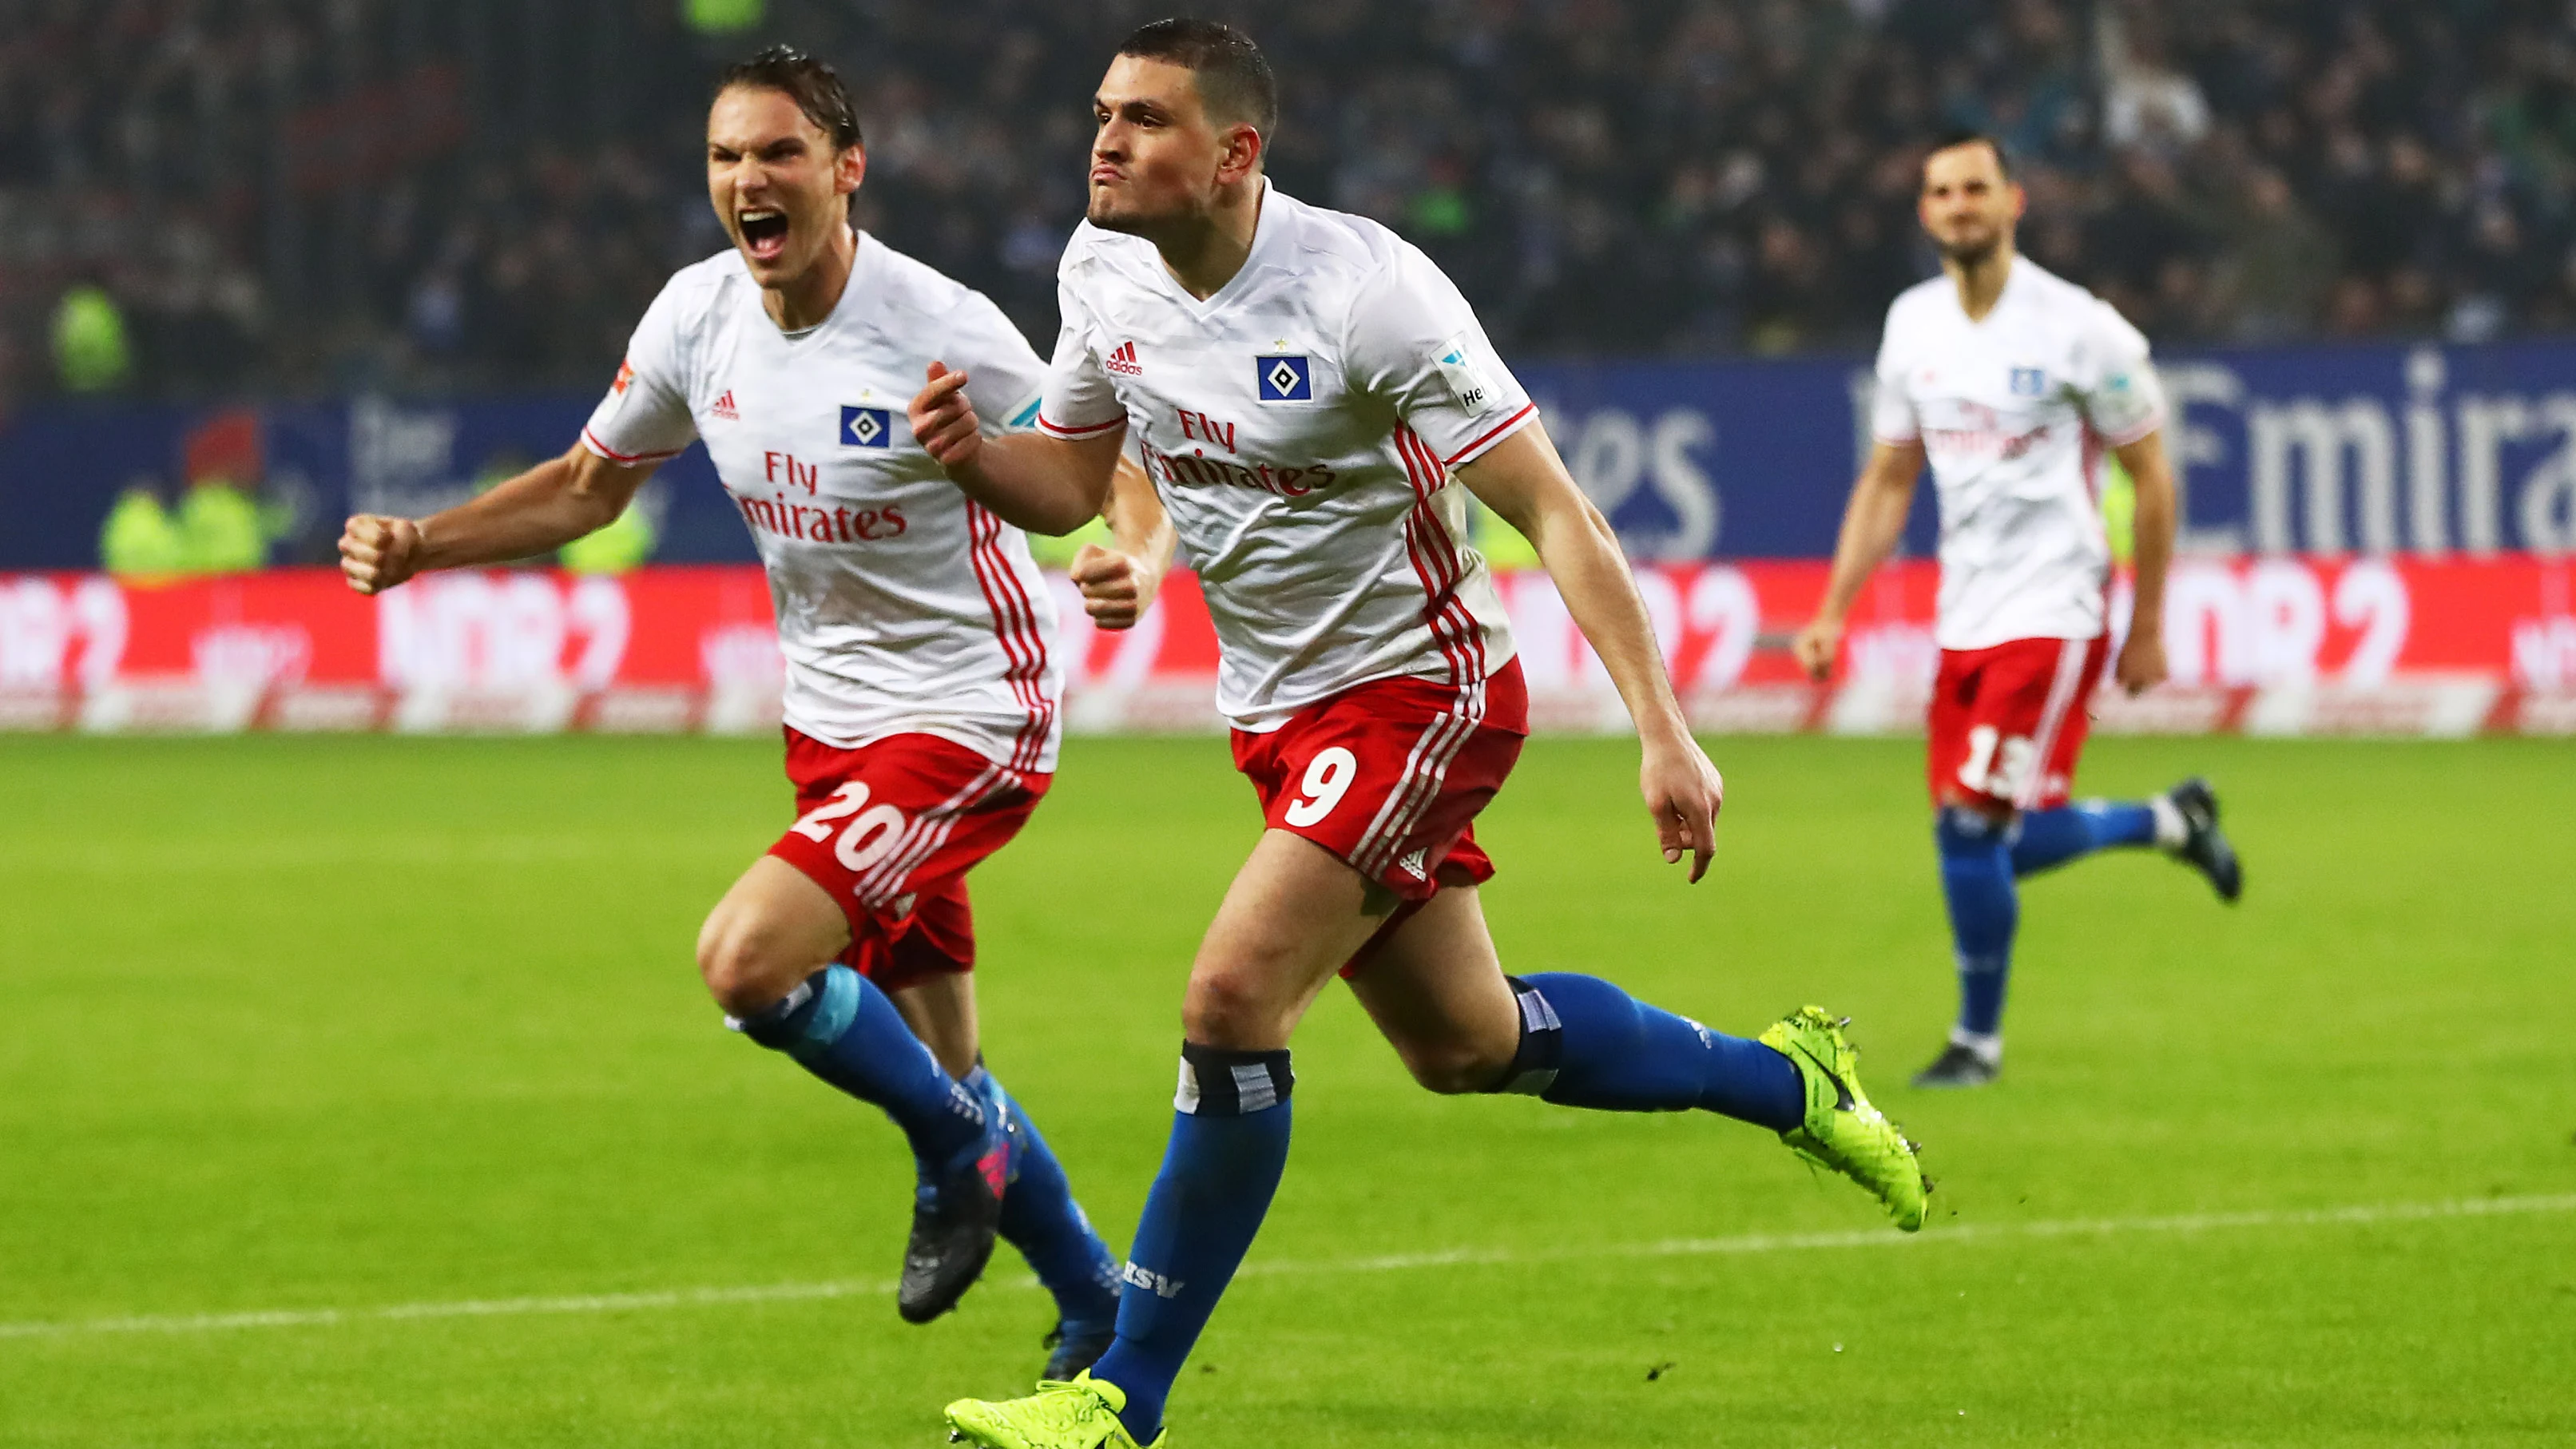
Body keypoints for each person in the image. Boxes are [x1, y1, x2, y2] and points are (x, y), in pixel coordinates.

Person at [914, 22, 1927, 1449]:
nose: (1104, 140)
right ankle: (1793, 1078)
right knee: (1470, 1040)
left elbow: (1554, 506)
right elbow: (1075, 474)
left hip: (1423, 692)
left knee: (1229, 1000)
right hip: (1275, 709)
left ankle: (1115, 1392)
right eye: (1101, 112)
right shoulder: (1102, 271)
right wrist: (976, 458)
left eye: (1143, 119)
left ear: (1234, 152)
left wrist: (1663, 727)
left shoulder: (1366, 294)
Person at [335, 47, 1154, 1378]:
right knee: (951, 1051)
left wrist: (1128, 554)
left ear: (846, 171)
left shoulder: (936, 321)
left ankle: (955, 1153)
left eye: (777, 153)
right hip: (830, 726)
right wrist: (427, 543)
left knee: (748, 958)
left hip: (967, 712)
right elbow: (588, 487)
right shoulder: (695, 316)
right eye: (726, 157)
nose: (747, 180)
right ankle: (1092, 1294)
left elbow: (1101, 460)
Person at [1792, 132, 2243, 1091]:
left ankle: (1977, 1045)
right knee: (1980, 835)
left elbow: (2151, 474)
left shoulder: (2082, 328)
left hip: (2056, 604)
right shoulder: (1911, 323)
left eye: (1976, 188)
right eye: (1941, 189)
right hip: (1964, 612)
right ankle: (2169, 821)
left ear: (2014, 203)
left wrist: (2148, 622)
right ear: (1925, 211)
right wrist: (1835, 605)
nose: (1959, 204)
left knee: (1968, 832)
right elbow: (1889, 477)